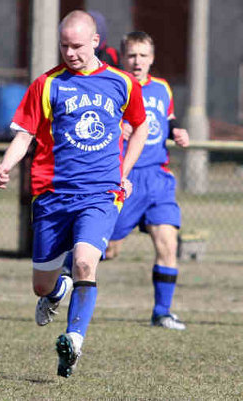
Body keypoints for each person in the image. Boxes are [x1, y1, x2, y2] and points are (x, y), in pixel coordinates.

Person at [0, 11, 148, 378]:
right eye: (64, 45)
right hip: (51, 196)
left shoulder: (122, 83)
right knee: (40, 285)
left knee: (84, 263)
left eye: (77, 46)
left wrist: (123, 173)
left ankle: (74, 340)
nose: (70, 52)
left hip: (100, 194)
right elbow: (25, 133)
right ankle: (56, 288)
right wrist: (6, 165)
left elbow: (140, 127)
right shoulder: (47, 84)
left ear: (95, 42)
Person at [105, 31, 190, 330]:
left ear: (152, 59)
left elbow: (166, 120)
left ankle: (162, 312)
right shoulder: (114, 87)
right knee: (108, 250)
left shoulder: (162, 88)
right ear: (123, 57)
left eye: (143, 55)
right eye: (132, 55)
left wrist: (176, 132)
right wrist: (117, 128)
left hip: (157, 178)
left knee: (168, 243)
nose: (137, 61)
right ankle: (68, 266)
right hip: (125, 179)